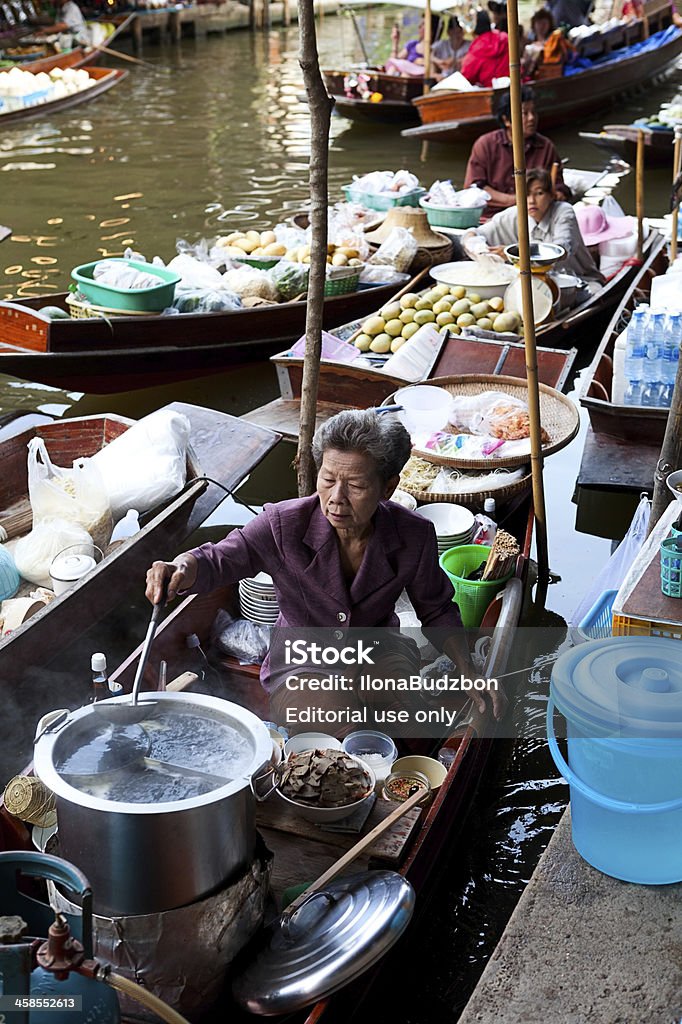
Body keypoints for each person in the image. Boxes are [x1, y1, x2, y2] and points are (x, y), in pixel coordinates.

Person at [145, 410, 506, 727]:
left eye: (357, 485)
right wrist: (181, 567)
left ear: (388, 488)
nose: (336, 497)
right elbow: (218, 558)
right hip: (302, 666)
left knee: (407, 721)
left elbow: (436, 608)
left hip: (379, 655)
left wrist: (469, 671)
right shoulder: (282, 524)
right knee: (341, 734)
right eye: (328, 479)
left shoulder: (414, 534)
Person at [462, 167, 603, 285]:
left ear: (551, 195)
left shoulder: (563, 211)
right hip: (535, 284)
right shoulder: (514, 215)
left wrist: (515, 253)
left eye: (539, 193)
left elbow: (562, 248)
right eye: (526, 194)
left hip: (579, 281)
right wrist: (477, 246)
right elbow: (471, 234)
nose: (531, 201)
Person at [464, 86, 566, 217]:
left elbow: (557, 186)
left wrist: (556, 194)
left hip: (532, 217)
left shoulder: (545, 147)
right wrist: (513, 200)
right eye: (524, 113)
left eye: (534, 112)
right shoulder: (485, 144)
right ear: (507, 120)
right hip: (490, 217)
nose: (531, 118)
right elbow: (474, 188)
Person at [460, 10, 509, 88]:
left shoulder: (478, 46)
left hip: (488, 92)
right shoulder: (504, 37)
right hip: (512, 86)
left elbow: (467, 75)